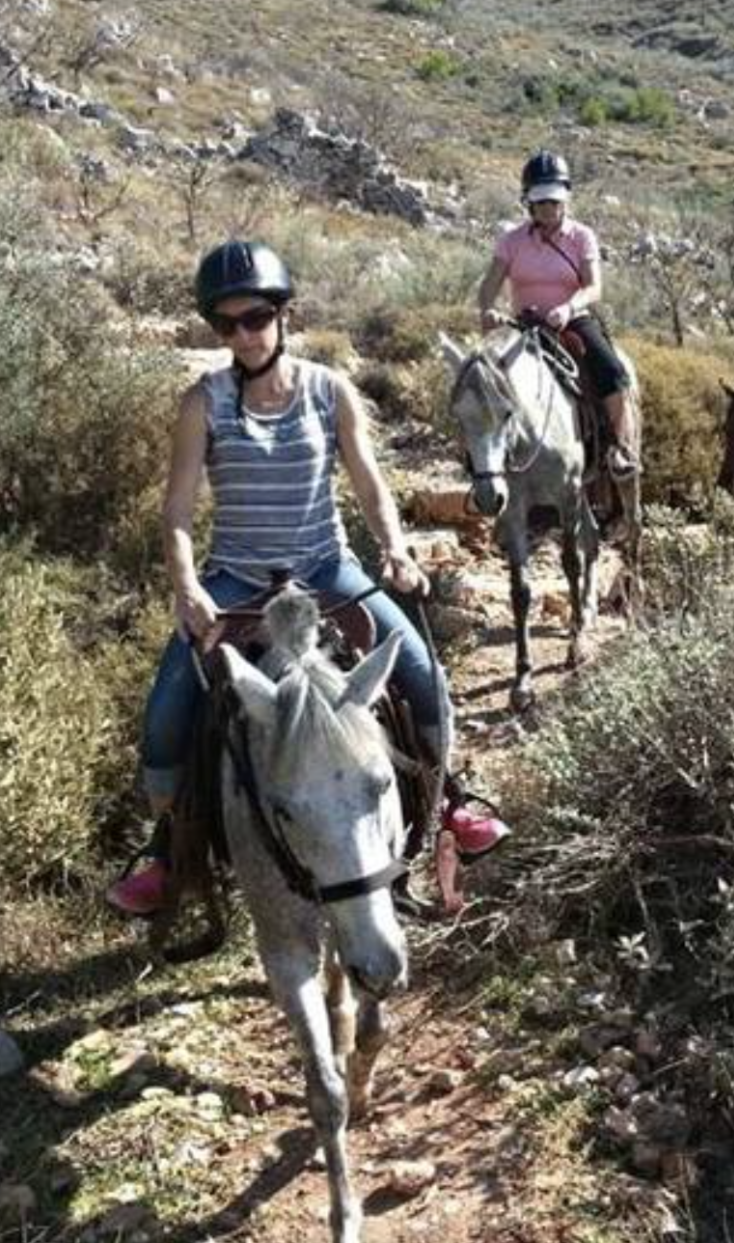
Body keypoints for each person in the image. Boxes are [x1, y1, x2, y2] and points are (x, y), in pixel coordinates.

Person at [107, 240, 507, 918]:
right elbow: (176, 512)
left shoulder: (330, 391)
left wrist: (396, 551)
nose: (244, 335)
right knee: (167, 713)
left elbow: (371, 486)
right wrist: (188, 588)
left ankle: (451, 801)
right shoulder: (202, 403)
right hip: (236, 579)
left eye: (256, 317)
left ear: (284, 314)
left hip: (326, 569)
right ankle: (169, 849)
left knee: (422, 675)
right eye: (226, 324)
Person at [475, 150, 641, 478]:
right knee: (479, 378)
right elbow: (488, 287)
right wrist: (488, 310)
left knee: (613, 371)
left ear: (565, 199)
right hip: (523, 325)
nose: (548, 207)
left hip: (572, 321)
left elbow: (593, 287)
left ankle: (620, 448)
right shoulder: (511, 241)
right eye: (541, 201)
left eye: (554, 200)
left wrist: (568, 308)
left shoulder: (582, 237)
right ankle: (481, 455)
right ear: (529, 202)